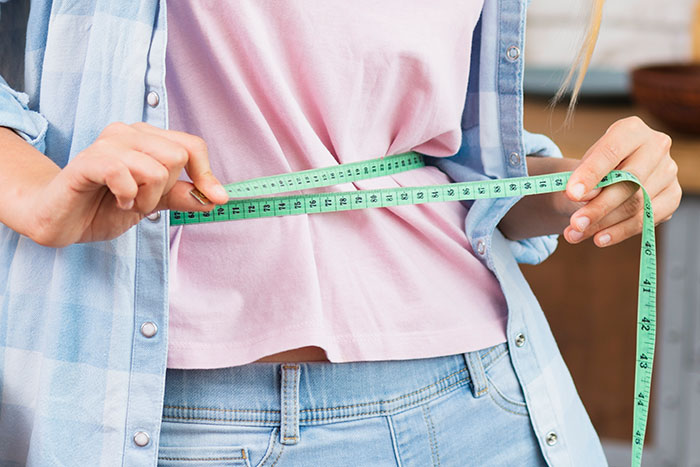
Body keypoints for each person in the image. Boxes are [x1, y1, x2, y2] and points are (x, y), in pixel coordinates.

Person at [0, 0, 681, 465]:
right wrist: (27, 188)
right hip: (189, 417)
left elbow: (447, 155)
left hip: (485, 398)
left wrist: (582, 189)